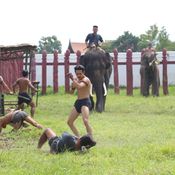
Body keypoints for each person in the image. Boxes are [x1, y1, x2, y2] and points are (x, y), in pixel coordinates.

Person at [67, 65, 94, 140]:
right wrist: (72, 86)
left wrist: (72, 79)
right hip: (78, 102)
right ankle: (79, 138)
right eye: (77, 74)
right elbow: (71, 93)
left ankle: (91, 137)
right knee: (69, 122)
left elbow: (79, 86)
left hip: (85, 102)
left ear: (84, 72)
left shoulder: (86, 79)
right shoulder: (76, 79)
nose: (78, 75)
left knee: (85, 120)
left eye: (80, 74)